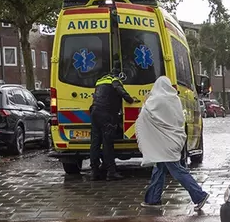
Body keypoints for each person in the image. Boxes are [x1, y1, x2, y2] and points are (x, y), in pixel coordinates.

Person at [136, 76, 210, 211]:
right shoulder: (174, 99)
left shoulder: (156, 100)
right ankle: (153, 199)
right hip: (174, 140)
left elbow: (146, 114)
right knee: (159, 168)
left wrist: (146, 101)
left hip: (164, 144)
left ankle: (199, 195)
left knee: (177, 171)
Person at [89, 68, 139, 181]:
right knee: (107, 144)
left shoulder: (100, 80)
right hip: (106, 114)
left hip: (94, 112)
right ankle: (111, 172)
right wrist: (130, 100)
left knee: (95, 143)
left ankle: (94, 172)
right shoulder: (114, 80)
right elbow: (120, 91)